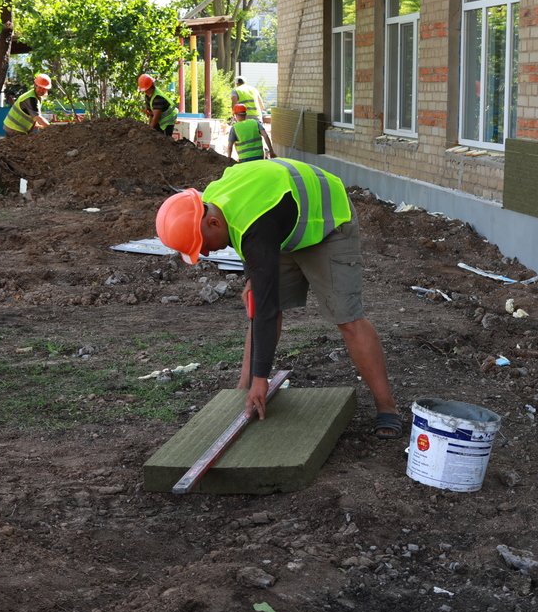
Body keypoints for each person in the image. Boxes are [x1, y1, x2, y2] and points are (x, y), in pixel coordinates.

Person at [154, 159, 403, 439]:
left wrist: (262, 379)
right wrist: (252, 276)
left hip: (327, 221)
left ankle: (387, 407)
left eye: (203, 245)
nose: (206, 253)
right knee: (256, 302)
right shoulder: (212, 203)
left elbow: (267, 304)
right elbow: (241, 234)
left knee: (347, 318)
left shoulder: (255, 226)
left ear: (212, 222)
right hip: (279, 225)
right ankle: (243, 391)